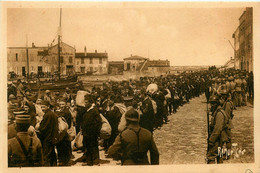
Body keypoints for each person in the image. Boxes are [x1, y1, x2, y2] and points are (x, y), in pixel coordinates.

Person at [206, 95, 229, 164]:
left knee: (211, 156)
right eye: (211, 103)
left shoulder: (219, 114)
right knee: (219, 156)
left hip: (218, 139)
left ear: (217, 104)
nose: (212, 105)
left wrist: (211, 140)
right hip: (219, 138)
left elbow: (217, 129)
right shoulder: (217, 112)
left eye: (214, 103)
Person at [81, 94, 102, 166]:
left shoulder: (94, 111)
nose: (85, 104)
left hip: (92, 134)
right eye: (85, 102)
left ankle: (95, 161)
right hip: (87, 134)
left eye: (86, 102)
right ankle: (89, 162)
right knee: (88, 148)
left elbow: (98, 123)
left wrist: (95, 132)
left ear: (90, 103)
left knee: (93, 147)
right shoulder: (87, 111)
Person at [38, 100, 59, 166]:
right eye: (41, 107)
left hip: (48, 136)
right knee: (52, 152)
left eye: (44, 107)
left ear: (48, 106)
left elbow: (43, 127)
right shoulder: (52, 114)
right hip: (53, 136)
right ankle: (54, 165)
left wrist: (39, 127)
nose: (42, 109)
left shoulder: (47, 115)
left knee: (46, 154)